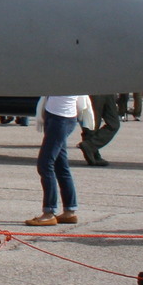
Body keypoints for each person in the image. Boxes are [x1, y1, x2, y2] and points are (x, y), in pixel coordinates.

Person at [25, 94, 92, 227]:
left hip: (62, 117)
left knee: (45, 164)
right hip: (55, 115)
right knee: (60, 165)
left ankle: (49, 212)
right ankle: (69, 210)